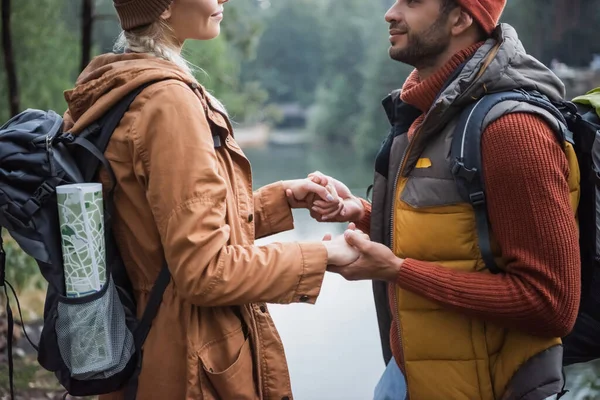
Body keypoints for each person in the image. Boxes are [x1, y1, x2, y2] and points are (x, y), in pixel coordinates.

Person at [61, 0, 360, 398]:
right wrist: (326, 256)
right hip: (188, 363)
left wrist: (282, 200)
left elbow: (160, 227)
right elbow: (204, 271)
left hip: (141, 343)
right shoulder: (168, 103)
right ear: (164, 8)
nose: (222, 0)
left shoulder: (113, 84)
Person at [305, 0, 581, 398]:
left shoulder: (514, 132)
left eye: (412, 2)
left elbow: (551, 304)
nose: (390, 12)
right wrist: (363, 215)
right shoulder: (429, 111)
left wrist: (397, 271)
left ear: (461, 18)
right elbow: (454, 239)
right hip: (409, 377)